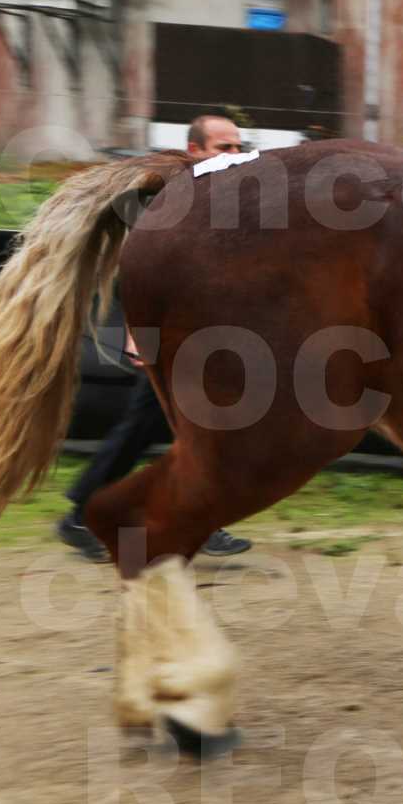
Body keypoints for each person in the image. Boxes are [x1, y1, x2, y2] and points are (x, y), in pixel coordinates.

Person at [56, 115, 253, 561]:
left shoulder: (225, 199)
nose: (235, 156)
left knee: (178, 431)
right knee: (161, 430)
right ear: (195, 150)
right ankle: (85, 515)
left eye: (239, 146)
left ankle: (91, 516)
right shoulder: (175, 201)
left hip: (201, 340)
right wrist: (138, 336)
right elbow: (142, 270)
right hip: (168, 339)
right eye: (224, 147)